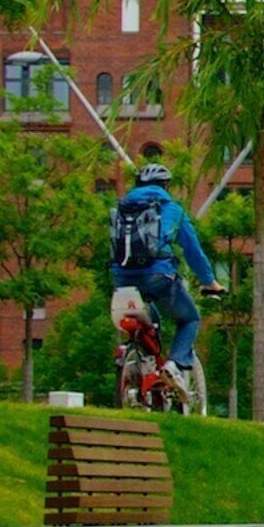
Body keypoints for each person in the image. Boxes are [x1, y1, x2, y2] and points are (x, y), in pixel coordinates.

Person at [107, 162, 222, 390]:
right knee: (190, 318)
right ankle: (175, 363)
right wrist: (211, 282)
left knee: (150, 318)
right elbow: (193, 252)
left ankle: (146, 362)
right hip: (158, 277)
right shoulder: (172, 209)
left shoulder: (122, 208)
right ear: (165, 186)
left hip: (121, 278)